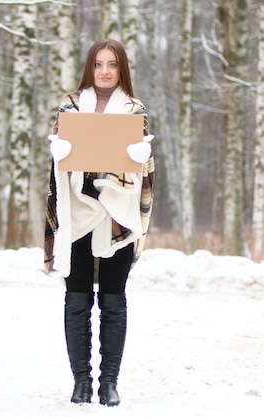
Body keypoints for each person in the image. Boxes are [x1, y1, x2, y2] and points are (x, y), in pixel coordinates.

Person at [43, 39, 154, 407]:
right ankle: (80, 382)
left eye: (112, 65)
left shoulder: (134, 109)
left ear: (121, 69)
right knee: (76, 300)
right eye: (98, 64)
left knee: (113, 300)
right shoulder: (70, 106)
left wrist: (141, 157)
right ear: (90, 68)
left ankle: (109, 383)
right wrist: (58, 152)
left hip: (118, 216)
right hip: (77, 212)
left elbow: (145, 169)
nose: (105, 71)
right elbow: (57, 168)